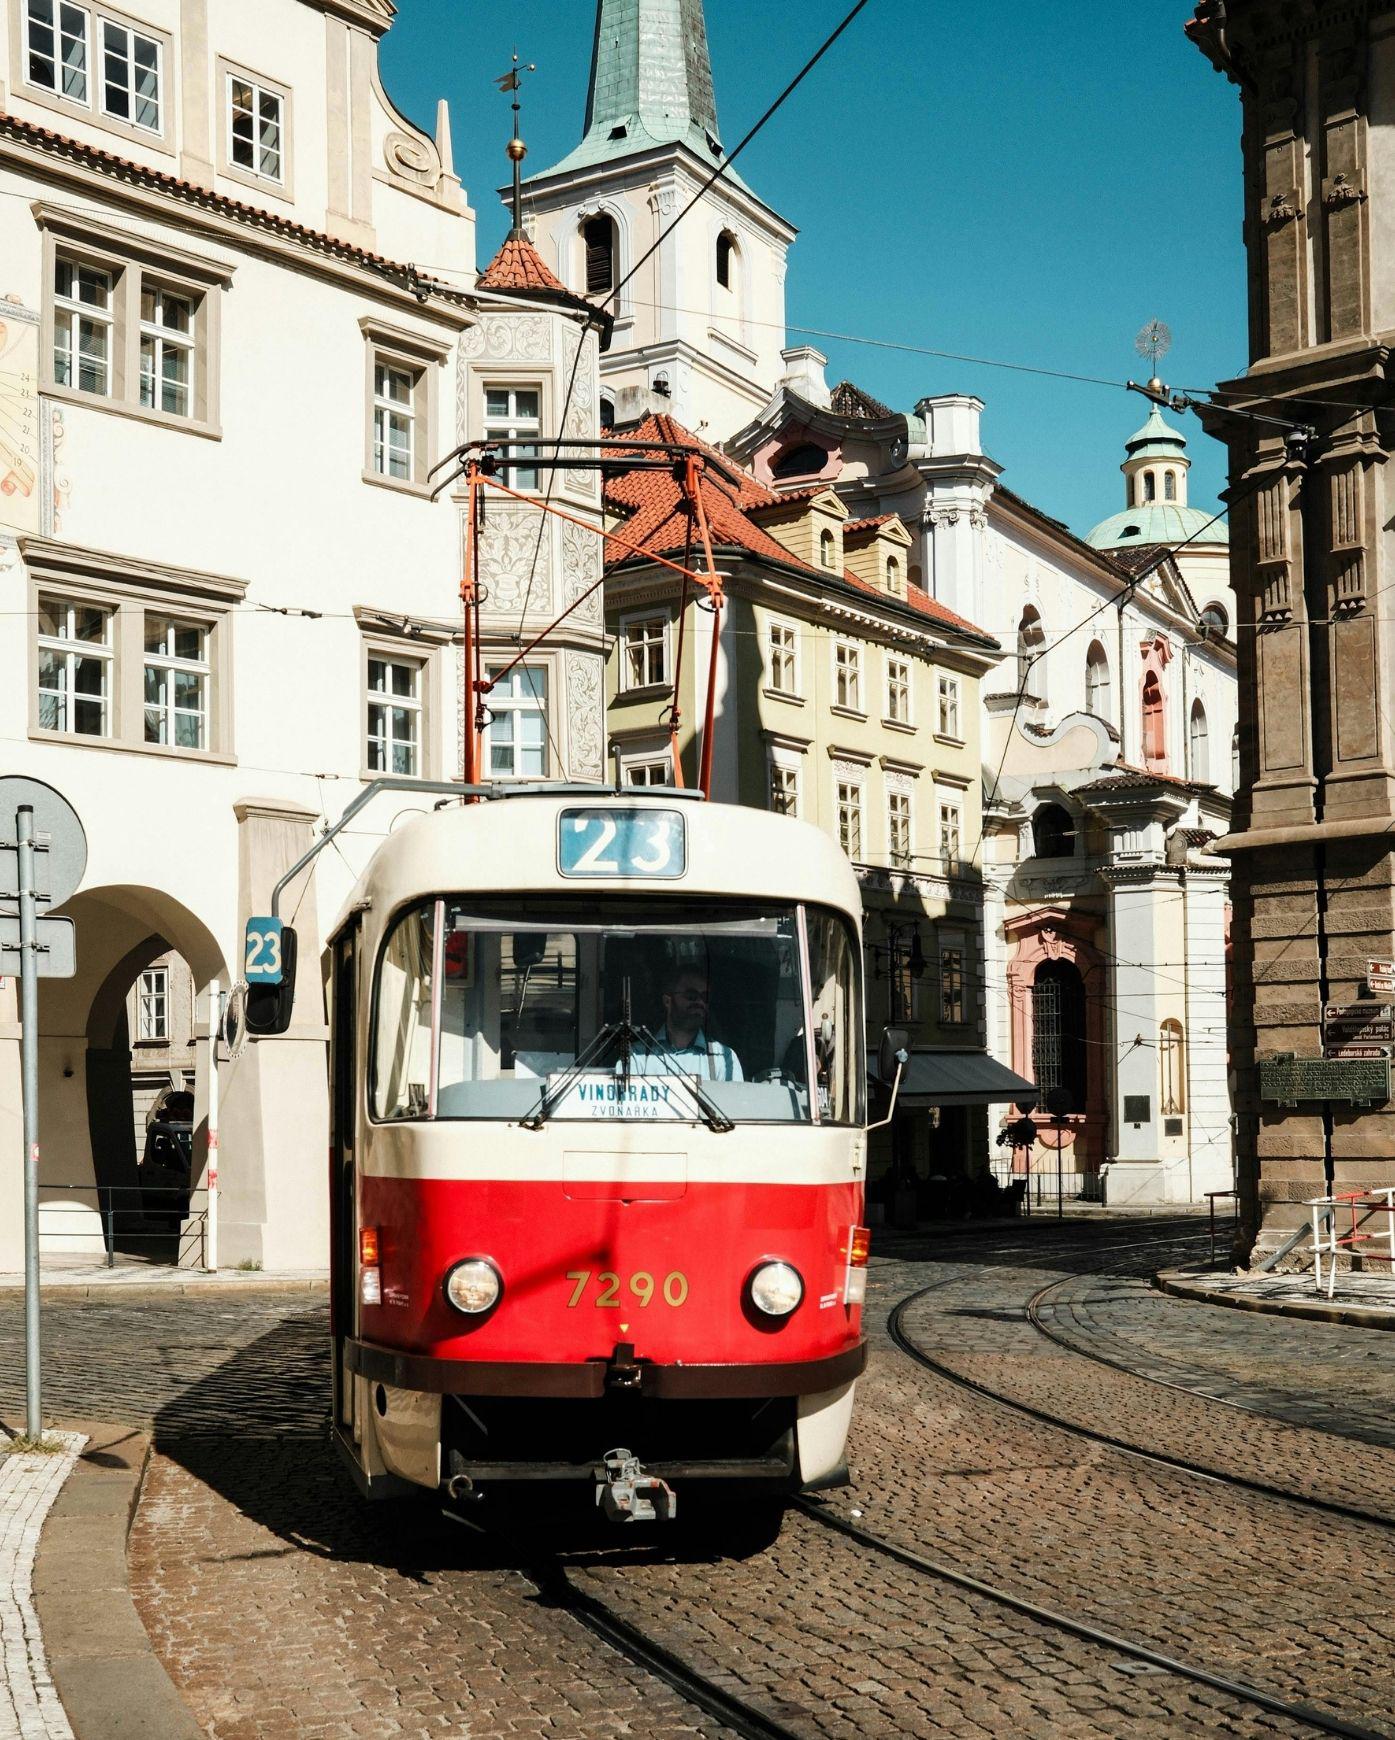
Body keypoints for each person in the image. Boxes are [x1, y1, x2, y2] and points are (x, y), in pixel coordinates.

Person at [638, 965, 744, 1081]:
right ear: (667, 1001)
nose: (700, 1002)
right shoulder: (638, 1055)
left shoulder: (723, 1057)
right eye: (691, 996)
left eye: (705, 997)